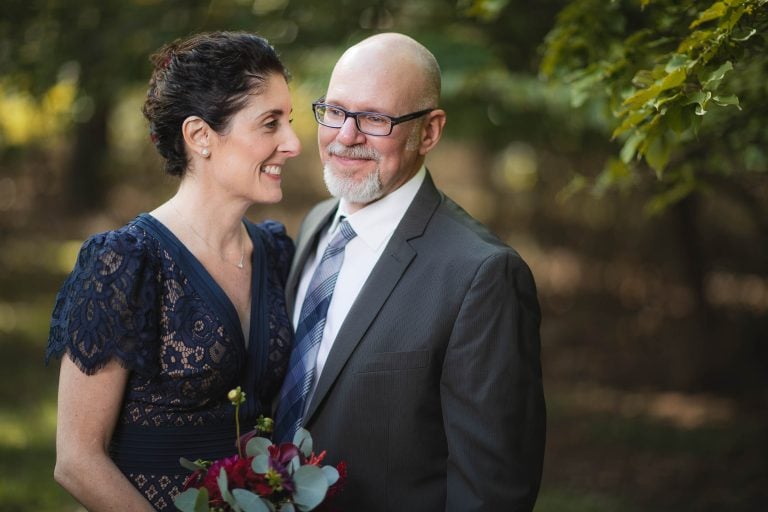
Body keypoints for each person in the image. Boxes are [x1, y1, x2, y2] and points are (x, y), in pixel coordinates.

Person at [273, 32, 546, 511]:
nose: (346, 136)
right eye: (335, 111)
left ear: (430, 131)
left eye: (375, 119)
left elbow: (491, 492)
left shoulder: (482, 275)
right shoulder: (317, 224)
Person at [45, 31, 300, 511]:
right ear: (200, 136)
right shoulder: (125, 262)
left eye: (289, 120)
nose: (293, 143)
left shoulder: (276, 252)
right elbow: (77, 459)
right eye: (270, 123)